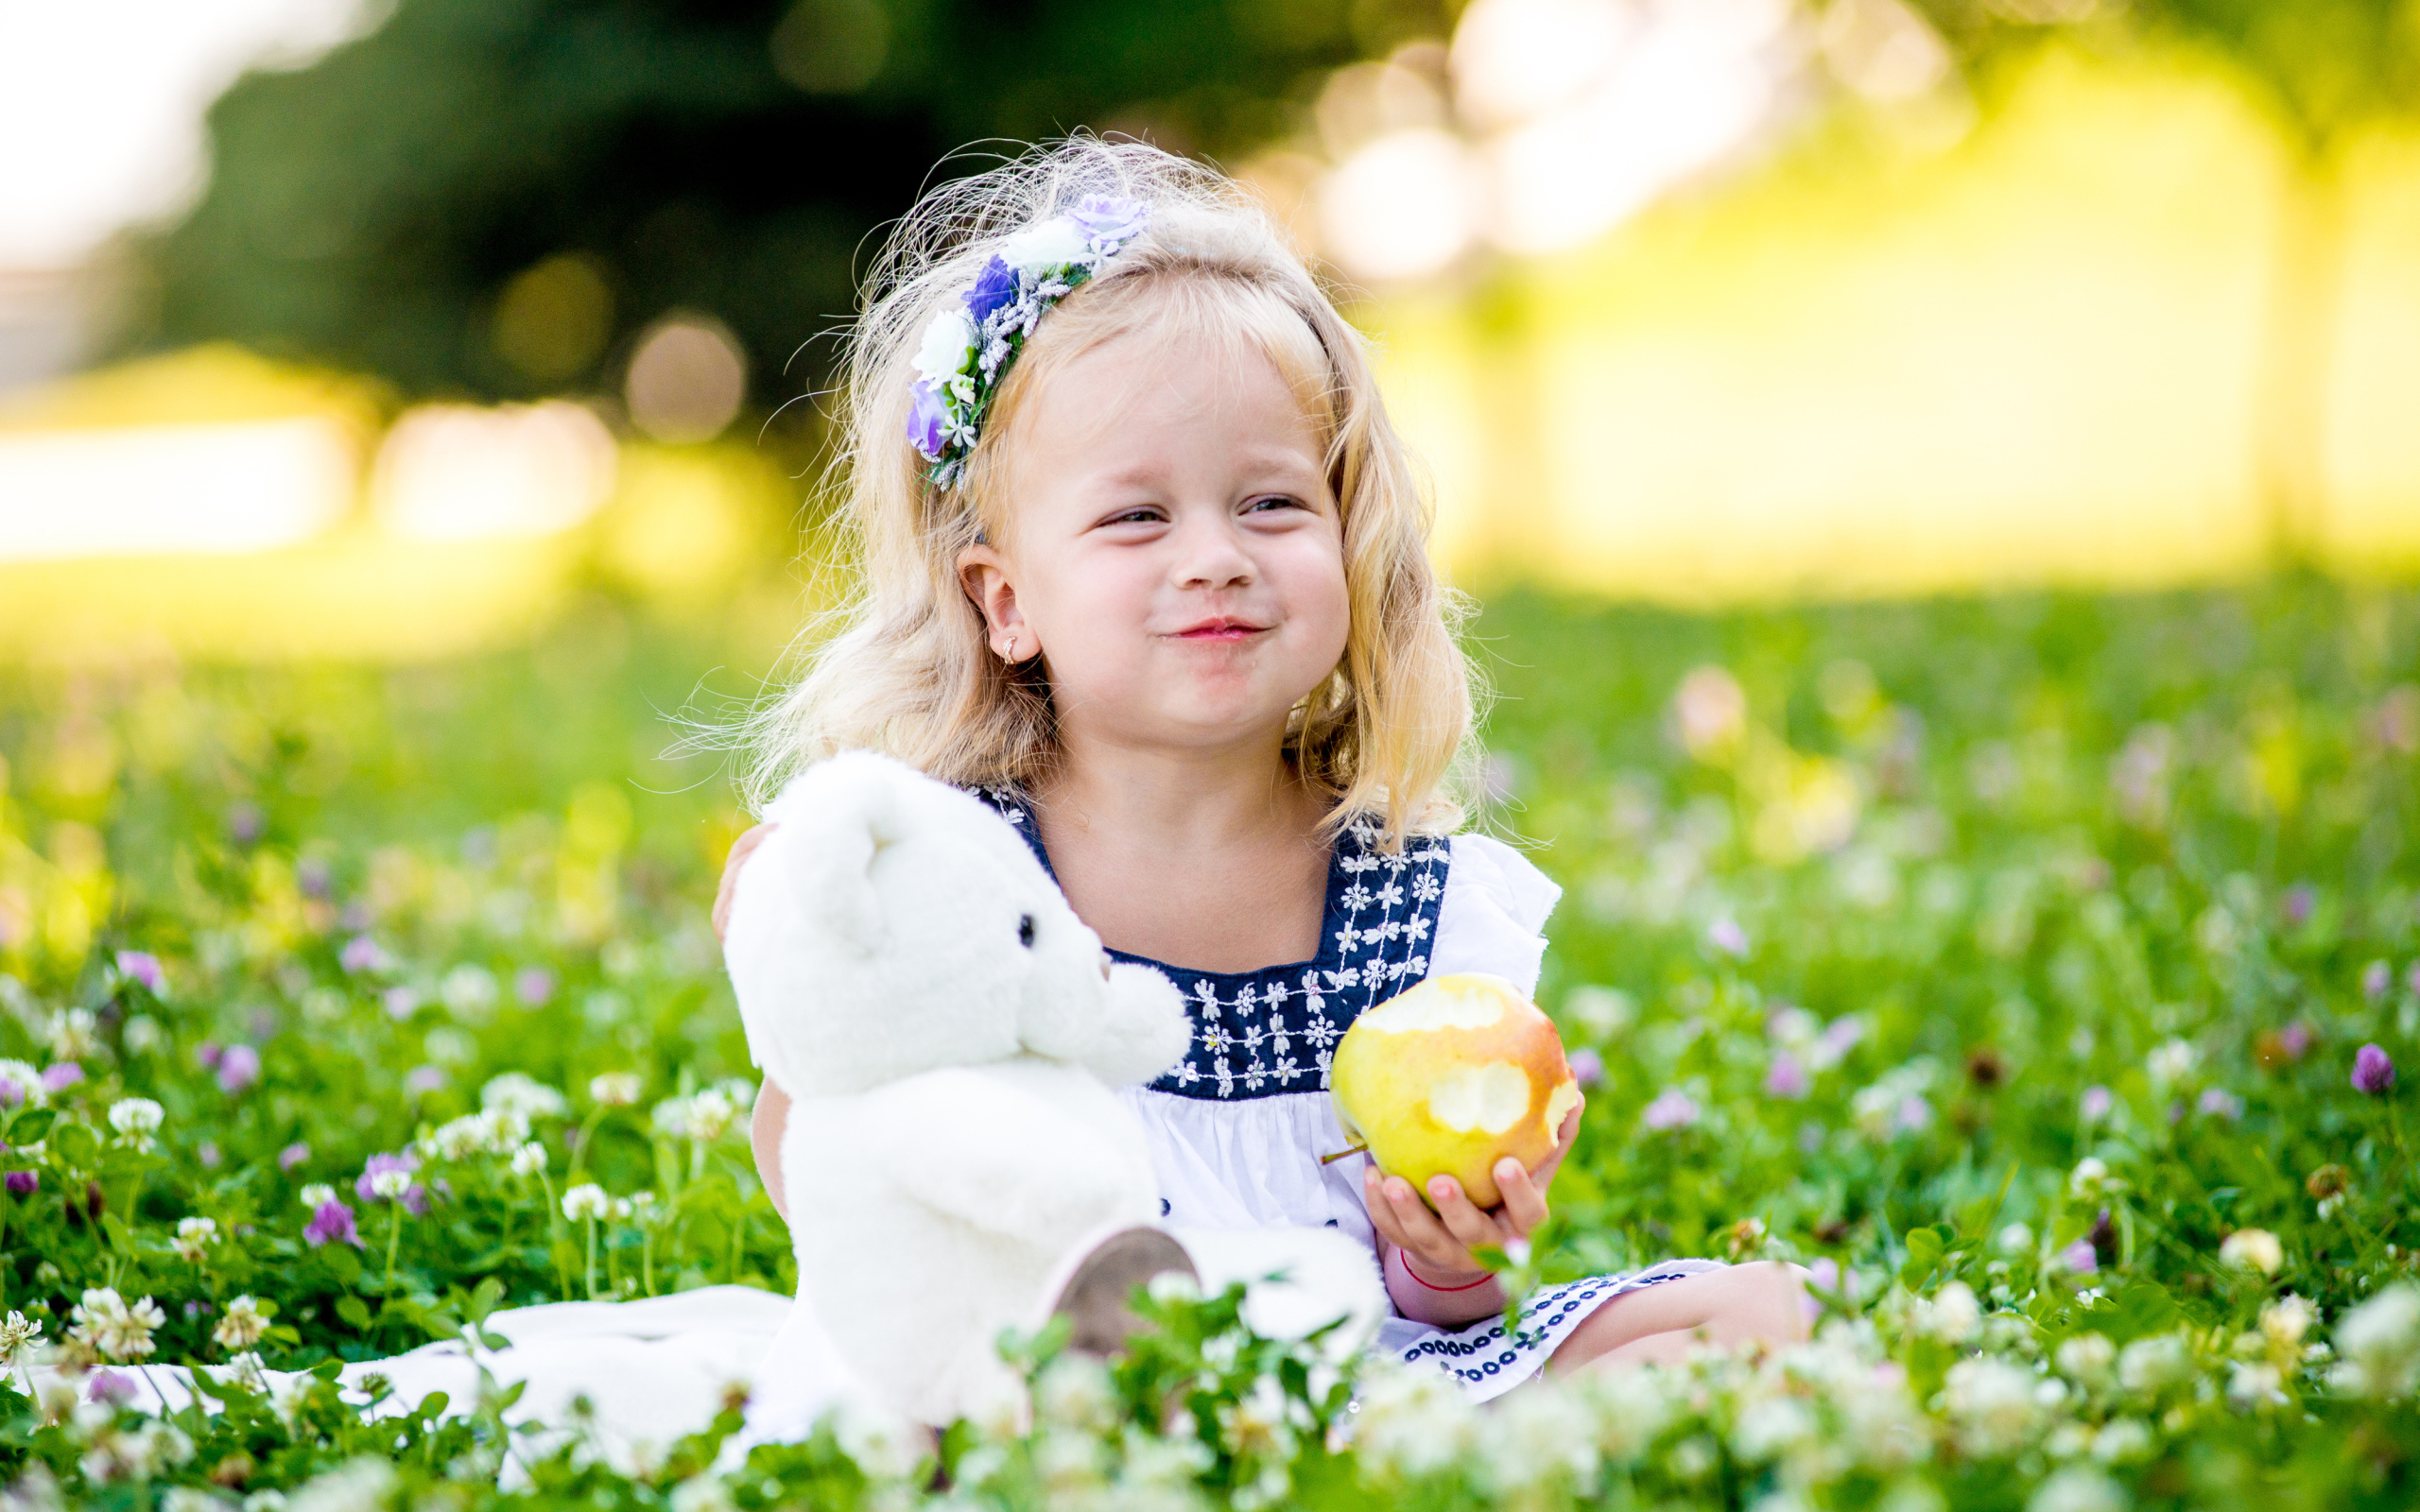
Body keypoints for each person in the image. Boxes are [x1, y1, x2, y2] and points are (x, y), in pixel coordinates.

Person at [712, 137, 1807, 1401]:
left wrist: (1448, 1253)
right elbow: (845, 1181)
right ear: (1005, 600)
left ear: (1352, 543)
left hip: (1362, 1355)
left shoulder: (1408, 903)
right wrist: (815, 997)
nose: (1215, 557)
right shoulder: (960, 882)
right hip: (1068, 1368)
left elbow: (1436, 1304)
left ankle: (1394, 1454)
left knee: (1765, 1307)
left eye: (1273, 505)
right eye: (1137, 517)